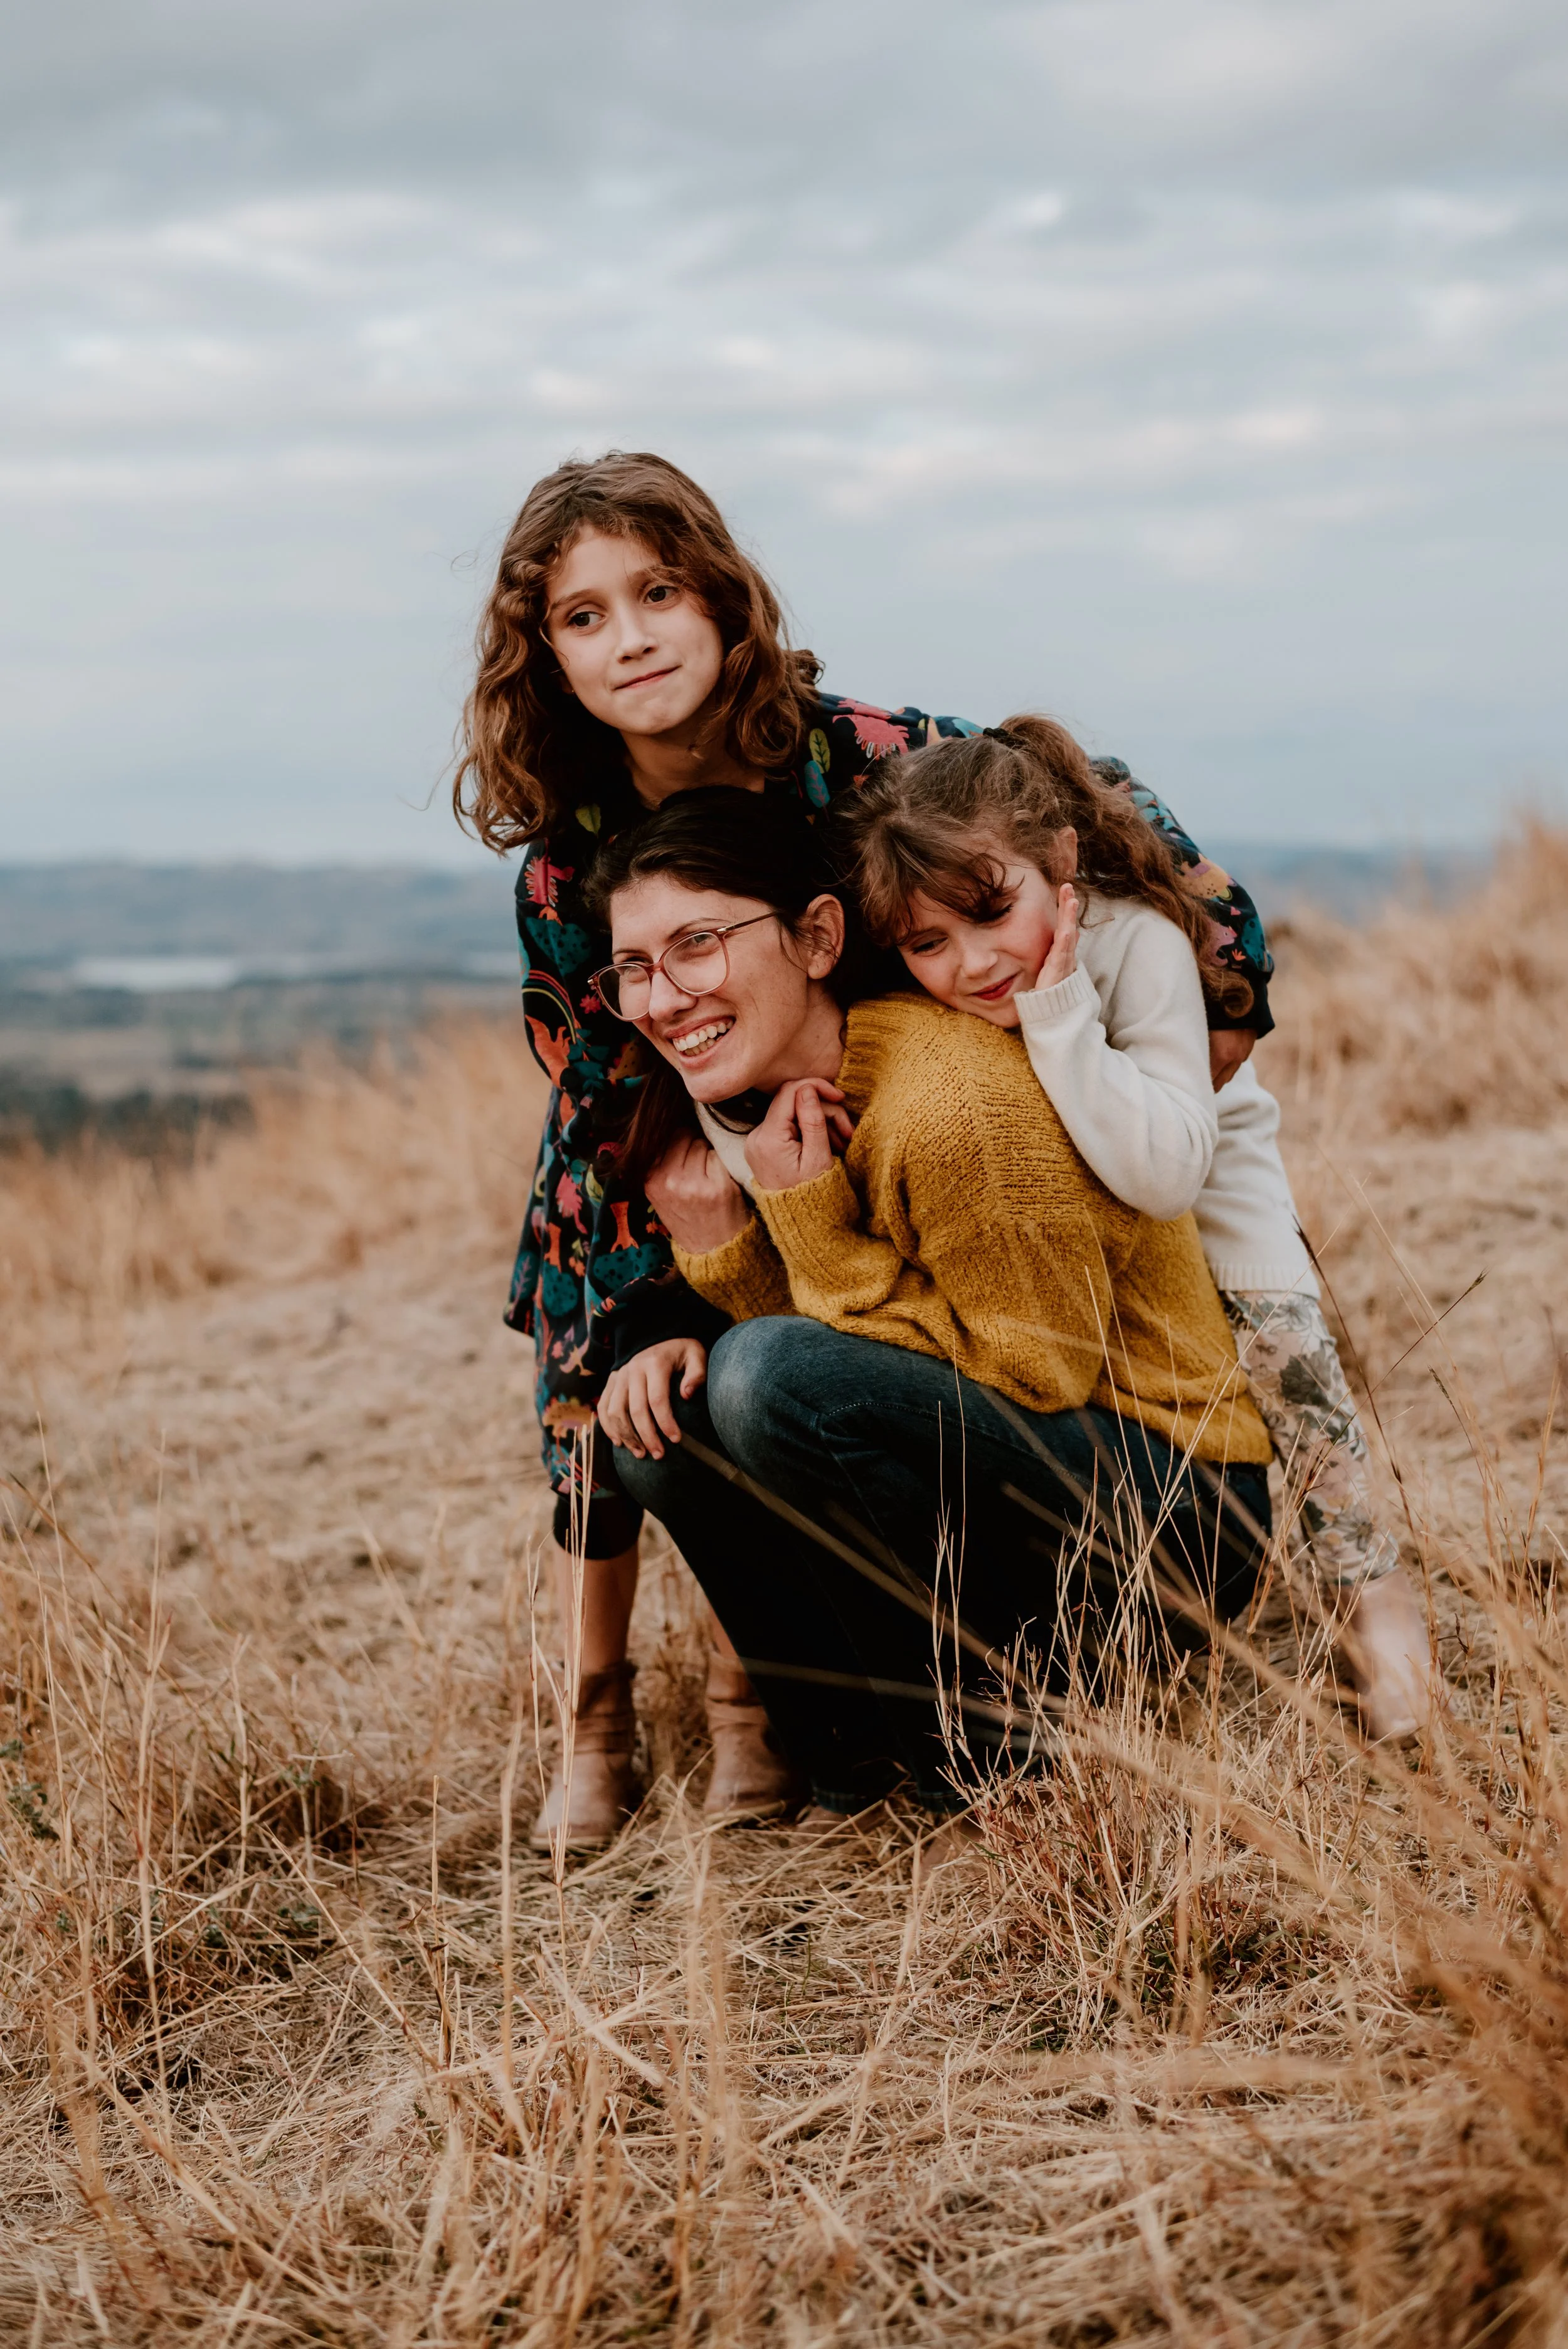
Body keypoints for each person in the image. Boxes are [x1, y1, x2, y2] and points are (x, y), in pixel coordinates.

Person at [452, 449, 1275, 1847]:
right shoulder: (564, 854)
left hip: (930, 1152)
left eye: (656, 590)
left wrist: (1105, 1140)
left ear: (722, 598)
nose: (632, 635)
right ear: (542, 654)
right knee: (651, 1387)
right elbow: (608, 1080)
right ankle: (641, 1713)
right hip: (694, 1130)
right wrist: (687, 1266)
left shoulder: (865, 758)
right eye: (582, 615)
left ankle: (912, 1710)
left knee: (786, 1379)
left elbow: (1195, 921)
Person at [590, 790, 1275, 1815]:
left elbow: (1035, 1372)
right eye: (635, 970)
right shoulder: (798, 1108)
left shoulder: (951, 1106)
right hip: (1049, 1469)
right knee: (667, 1423)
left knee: (767, 1375)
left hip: (1173, 1508)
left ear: (819, 937)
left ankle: (1003, 1767)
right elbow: (866, 1367)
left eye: (696, 945)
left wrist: (794, 1232)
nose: (663, 999)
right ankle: (866, 1758)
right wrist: (723, 1265)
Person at [829, 716, 1439, 1743]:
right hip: (1084, 1204)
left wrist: (1062, 1012)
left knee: (1292, 1372)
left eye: (993, 912)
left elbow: (1166, 1172)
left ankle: (1370, 1594)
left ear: (1059, 860)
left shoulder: (1130, 945)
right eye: (930, 942)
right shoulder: (942, 972)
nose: (976, 964)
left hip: (1198, 1165)